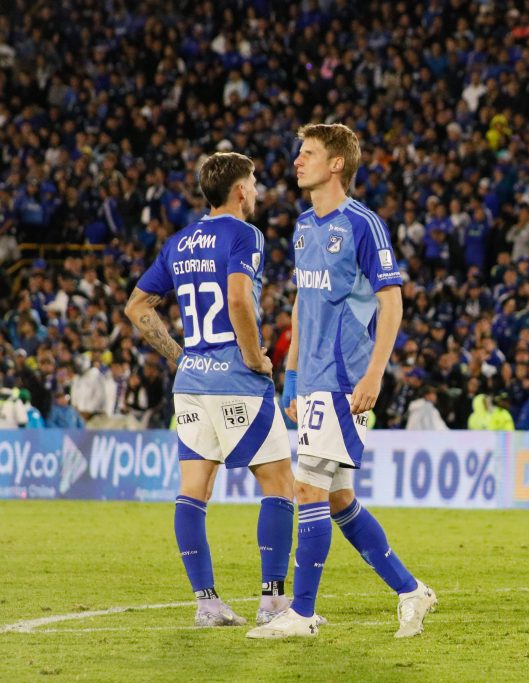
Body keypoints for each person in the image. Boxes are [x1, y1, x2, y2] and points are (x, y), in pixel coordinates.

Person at [247, 123, 436, 639]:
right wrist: (289, 375)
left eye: (307, 154)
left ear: (336, 164)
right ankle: (411, 591)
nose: (296, 162)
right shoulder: (305, 226)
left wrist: (375, 372)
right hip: (310, 382)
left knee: (307, 487)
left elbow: (391, 300)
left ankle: (302, 615)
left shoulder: (363, 224)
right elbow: (303, 304)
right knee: (337, 500)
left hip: (346, 379)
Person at [125, 152, 296, 628]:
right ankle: (274, 602)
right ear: (240, 190)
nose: (257, 190)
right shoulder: (245, 234)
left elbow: (137, 307)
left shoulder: (179, 242)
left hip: (192, 382)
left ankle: (207, 604)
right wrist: (252, 356)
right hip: (236, 381)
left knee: (193, 490)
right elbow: (239, 296)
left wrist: (180, 355)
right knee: (279, 484)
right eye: (255, 182)